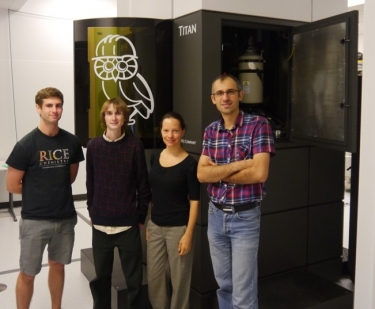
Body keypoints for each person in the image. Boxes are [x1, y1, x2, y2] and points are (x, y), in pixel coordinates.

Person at [197, 74, 275, 309]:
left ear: (240, 95)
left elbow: (259, 173)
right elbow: (201, 175)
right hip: (215, 216)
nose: (226, 97)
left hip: (245, 218)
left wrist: (218, 171)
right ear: (213, 99)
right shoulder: (211, 131)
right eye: (220, 93)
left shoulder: (259, 125)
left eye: (230, 91)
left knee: (243, 292)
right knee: (224, 286)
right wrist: (241, 164)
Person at [6, 87, 85, 309]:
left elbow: (69, 178)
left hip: (64, 218)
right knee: (28, 273)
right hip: (35, 221)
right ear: (38, 108)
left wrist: (50, 189)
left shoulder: (71, 142)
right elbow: (12, 185)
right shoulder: (26, 145)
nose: (54, 110)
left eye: (58, 105)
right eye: (49, 105)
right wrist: (39, 192)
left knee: (58, 266)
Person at [86, 97, 151, 309]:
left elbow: (143, 186)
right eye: (109, 113)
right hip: (100, 225)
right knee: (101, 279)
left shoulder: (135, 146)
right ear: (103, 117)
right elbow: (91, 183)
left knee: (134, 281)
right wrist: (92, 212)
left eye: (118, 113)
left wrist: (140, 218)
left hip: (128, 225)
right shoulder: (94, 146)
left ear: (124, 117)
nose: (114, 117)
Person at [146, 112, 200, 309]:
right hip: (155, 226)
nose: (170, 135)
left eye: (175, 130)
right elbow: (154, 193)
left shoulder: (190, 164)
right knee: (155, 280)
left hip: (179, 229)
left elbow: (195, 201)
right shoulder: (155, 156)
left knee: (180, 282)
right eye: (166, 130)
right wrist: (149, 222)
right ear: (161, 131)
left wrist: (188, 234)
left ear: (182, 132)